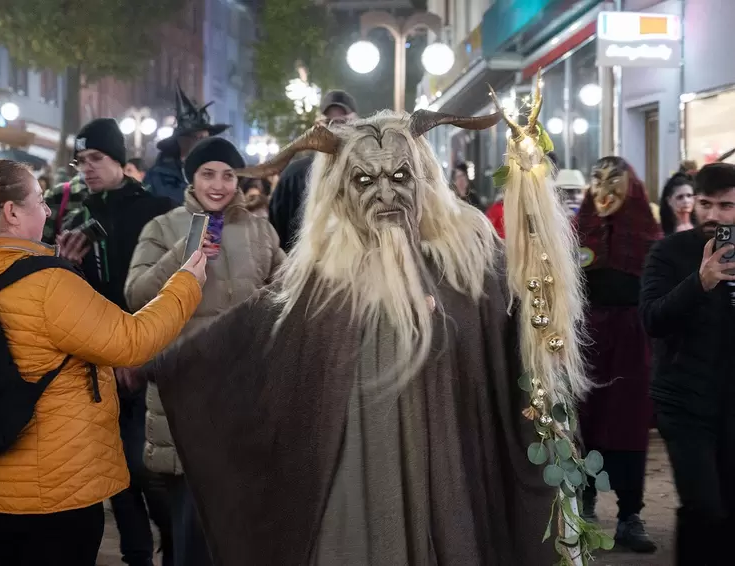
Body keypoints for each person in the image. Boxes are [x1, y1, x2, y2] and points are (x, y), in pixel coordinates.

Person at [141, 95, 593, 565]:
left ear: (423, 179)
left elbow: (529, 310)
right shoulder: (323, 275)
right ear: (339, 192)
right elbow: (247, 334)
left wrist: (534, 211)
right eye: (365, 179)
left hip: (450, 479)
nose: (385, 194)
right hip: (356, 486)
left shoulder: (469, 260)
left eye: (400, 177)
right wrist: (160, 363)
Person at [0, 158, 205, 566]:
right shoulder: (45, 283)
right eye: (38, 200)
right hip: (52, 492)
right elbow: (133, 342)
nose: (48, 210)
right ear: (12, 213)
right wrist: (187, 284)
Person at [126, 137, 284, 566]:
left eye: (228, 175)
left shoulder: (260, 230)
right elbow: (135, 295)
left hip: (244, 399)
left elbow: (290, 292)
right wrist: (184, 253)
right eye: (208, 174)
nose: (219, 185)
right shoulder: (163, 228)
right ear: (190, 178)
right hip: (186, 397)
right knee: (191, 531)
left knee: (242, 526)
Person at [61, 118, 176, 566]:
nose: (87, 168)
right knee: (117, 473)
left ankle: (174, 543)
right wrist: (67, 265)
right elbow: (73, 296)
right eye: (81, 160)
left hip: (149, 355)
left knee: (150, 467)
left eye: (96, 159)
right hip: (99, 359)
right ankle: (137, 556)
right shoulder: (75, 218)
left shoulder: (157, 210)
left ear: (120, 160)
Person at [640, 162, 735, 565]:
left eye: (727, 206)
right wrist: (700, 282)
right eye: (705, 203)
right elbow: (652, 319)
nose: (713, 215)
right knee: (704, 509)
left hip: (731, 404)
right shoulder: (669, 251)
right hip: (684, 403)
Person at [575, 156, 661, 553]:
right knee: (586, 423)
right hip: (587, 341)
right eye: (598, 180)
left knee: (628, 426)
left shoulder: (649, 236)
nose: (605, 191)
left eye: (615, 181)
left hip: (632, 342)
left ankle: (630, 515)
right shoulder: (577, 231)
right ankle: (585, 507)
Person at [268, 90, 358, 251]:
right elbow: (276, 232)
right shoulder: (293, 176)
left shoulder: (367, 175)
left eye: (343, 122)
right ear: (317, 126)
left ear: (357, 124)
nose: (335, 129)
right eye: (328, 122)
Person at [145, 86, 230, 207]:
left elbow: (222, 214)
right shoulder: (157, 176)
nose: (204, 143)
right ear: (181, 140)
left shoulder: (219, 174)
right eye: (198, 138)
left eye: (206, 138)